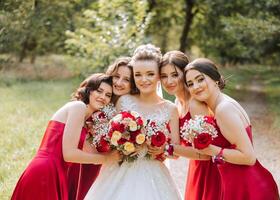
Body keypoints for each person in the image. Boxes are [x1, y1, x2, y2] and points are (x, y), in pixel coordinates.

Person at [84, 44, 181, 200]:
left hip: (153, 173)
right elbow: (109, 134)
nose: (144, 80)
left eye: (150, 74)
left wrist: (162, 149)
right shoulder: (124, 101)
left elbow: (176, 152)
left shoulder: (170, 109)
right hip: (120, 168)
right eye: (138, 75)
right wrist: (121, 142)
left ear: (158, 75)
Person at [11, 73, 120, 200]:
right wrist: (106, 159)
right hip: (46, 170)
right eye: (99, 91)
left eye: (108, 95)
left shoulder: (87, 120)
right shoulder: (78, 107)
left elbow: (89, 152)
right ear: (89, 90)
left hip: (58, 172)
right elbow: (69, 154)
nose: (103, 97)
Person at [183, 58, 280, 200]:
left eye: (200, 79)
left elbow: (249, 157)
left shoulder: (223, 109)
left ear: (215, 79)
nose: (196, 86)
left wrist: (210, 150)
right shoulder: (221, 103)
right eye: (190, 84)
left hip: (247, 188)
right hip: (240, 184)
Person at [160, 51, 221, 200]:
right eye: (164, 76)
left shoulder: (195, 103)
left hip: (210, 170)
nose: (169, 81)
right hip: (196, 166)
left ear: (185, 73)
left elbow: (207, 154)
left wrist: (168, 148)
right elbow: (180, 150)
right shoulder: (177, 104)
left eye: (175, 75)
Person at [73, 57, 137, 200]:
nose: (119, 83)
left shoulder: (130, 107)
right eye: (117, 76)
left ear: (133, 84)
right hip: (85, 158)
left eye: (126, 80)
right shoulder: (97, 96)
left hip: (109, 162)